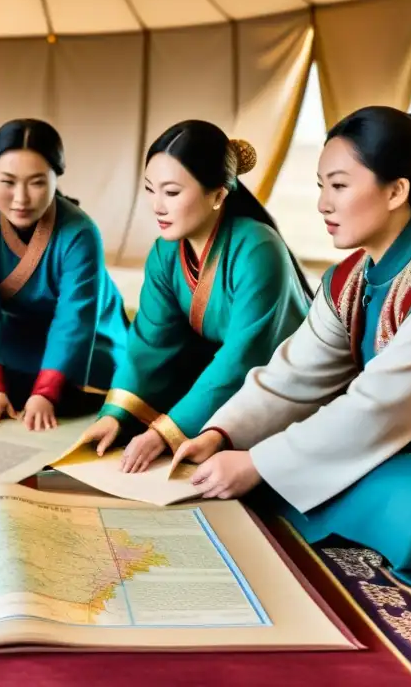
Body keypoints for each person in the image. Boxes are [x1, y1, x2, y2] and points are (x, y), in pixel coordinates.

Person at [173, 107, 411, 587]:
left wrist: (259, 464)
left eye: (340, 185)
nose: (323, 204)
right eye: (320, 186)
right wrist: (223, 434)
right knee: (333, 469)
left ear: (396, 190)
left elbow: (377, 411)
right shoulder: (351, 278)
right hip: (410, 443)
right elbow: (294, 376)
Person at [80, 120, 313, 472]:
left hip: (285, 386)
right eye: (149, 189)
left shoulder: (258, 248)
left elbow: (243, 355)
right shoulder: (164, 252)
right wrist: (116, 415)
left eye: (171, 192)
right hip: (225, 384)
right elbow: (149, 343)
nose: (157, 206)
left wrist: (165, 433)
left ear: (219, 194)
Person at [0, 119, 130, 432]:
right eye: (7, 182)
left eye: (37, 182)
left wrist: (46, 393)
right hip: (4, 327)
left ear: (55, 178)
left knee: (107, 385)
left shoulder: (80, 232)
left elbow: (73, 319)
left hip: (83, 331)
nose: (21, 198)